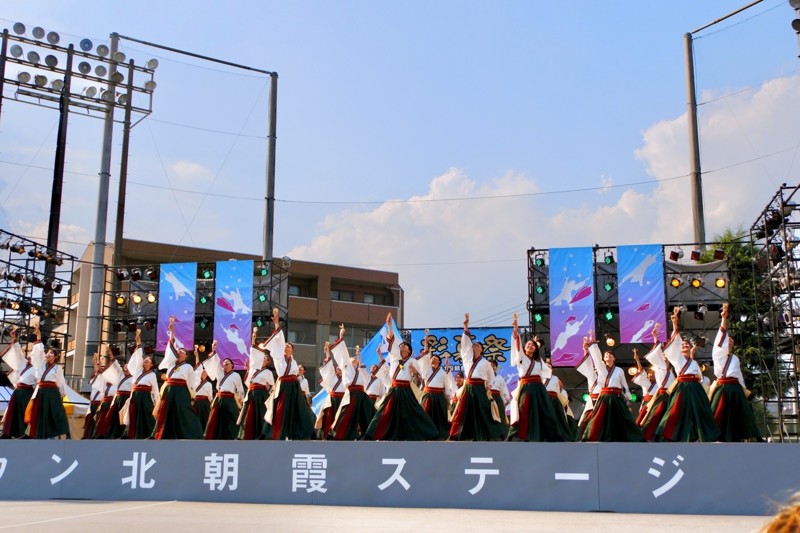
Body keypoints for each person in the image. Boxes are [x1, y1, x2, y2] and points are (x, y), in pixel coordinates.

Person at [364, 314, 438, 441]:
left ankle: (431, 433)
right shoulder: (394, 358)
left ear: (409, 351)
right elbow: (392, 340)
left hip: (406, 390)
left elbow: (419, 377)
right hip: (394, 390)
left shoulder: (413, 361)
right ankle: (372, 434)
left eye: (404, 346)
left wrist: (414, 372)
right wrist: (390, 326)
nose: (401, 347)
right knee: (385, 411)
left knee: (414, 411)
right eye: (401, 346)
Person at [655, 307, 721, 442]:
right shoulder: (676, 358)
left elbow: (700, 378)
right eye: (683, 345)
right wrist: (675, 323)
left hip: (695, 387)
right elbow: (676, 340)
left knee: (701, 410)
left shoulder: (694, 363)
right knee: (676, 410)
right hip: (683, 386)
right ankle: (668, 435)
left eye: (687, 345)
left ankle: (703, 435)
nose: (684, 346)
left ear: (690, 348)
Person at [709, 303, 762, 442]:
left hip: (735, 386)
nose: (729, 343)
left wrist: (743, 389)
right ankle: (715, 436)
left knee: (743, 413)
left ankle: (751, 436)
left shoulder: (735, 358)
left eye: (731, 342)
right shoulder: (718, 355)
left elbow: (738, 374)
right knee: (718, 412)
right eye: (727, 342)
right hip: (722, 387)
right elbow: (721, 335)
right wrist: (724, 318)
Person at [260, 309, 314, 440]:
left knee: (300, 410)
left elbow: (295, 374)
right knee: (279, 409)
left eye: (289, 346)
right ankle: (271, 433)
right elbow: (279, 340)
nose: (287, 347)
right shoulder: (279, 356)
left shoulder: (294, 362)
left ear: (292, 350)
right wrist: (277, 324)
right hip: (284, 385)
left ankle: (305, 433)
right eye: (286, 346)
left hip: (294, 386)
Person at [449, 313, 505, 441]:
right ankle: (457, 434)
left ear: (482, 350)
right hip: (468, 387)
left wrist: (488, 388)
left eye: (478, 346)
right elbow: (465, 344)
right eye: (474, 345)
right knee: (463, 410)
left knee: (484, 410)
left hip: (480, 388)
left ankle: (493, 434)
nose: (475, 346)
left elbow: (491, 377)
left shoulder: (485, 363)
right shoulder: (467, 358)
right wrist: (466, 327)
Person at [506, 314, 562, 442]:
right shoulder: (521, 358)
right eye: (528, 344)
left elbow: (547, 371)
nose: (530, 346)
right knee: (524, 409)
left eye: (532, 345)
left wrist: (555, 379)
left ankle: (548, 435)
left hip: (539, 388)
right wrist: (515, 330)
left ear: (536, 349)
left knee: (544, 410)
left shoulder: (539, 361)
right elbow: (517, 346)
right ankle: (520, 435)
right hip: (526, 387)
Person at [580, 331, 643, 442]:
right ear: (604, 359)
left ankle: (633, 437)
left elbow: (624, 385)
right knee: (599, 418)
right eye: (606, 355)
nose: (607, 356)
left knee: (624, 418)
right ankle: (592, 437)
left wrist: (627, 396)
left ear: (614, 358)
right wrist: (592, 343)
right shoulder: (601, 367)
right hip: (604, 397)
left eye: (610, 355)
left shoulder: (619, 370)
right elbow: (596, 358)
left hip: (616, 397)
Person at [152, 316, 204, 439]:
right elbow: (171, 345)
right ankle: (162, 433)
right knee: (165, 411)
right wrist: (172, 330)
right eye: (179, 351)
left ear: (186, 357)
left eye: (182, 352)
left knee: (183, 411)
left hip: (181, 391)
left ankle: (194, 433)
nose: (179, 352)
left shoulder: (188, 367)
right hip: (169, 390)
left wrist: (192, 396)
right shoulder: (171, 363)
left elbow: (192, 382)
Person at [330, 327, 376, 440]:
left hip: (362, 394)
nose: (352, 359)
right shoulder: (346, 366)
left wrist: (359, 356)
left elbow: (361, 365)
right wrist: (341, 336)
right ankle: (342, 435)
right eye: (351, 358)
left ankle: (369, 434)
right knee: (347, 415)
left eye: (354, 358)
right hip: (352, 393)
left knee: (370, 411)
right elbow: (343, 352)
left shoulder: (360, 370)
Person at [27, 322, 69, 439]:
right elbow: (38, 353)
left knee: (52, 415)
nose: (48, 354)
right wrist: (39, 337)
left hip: (52, 392)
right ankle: (39, 436)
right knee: (39, 414)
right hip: (41, 391)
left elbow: (60, 382)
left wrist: (61, 394)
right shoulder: (41, 363)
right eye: (48, 352)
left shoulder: (57, 367)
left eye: (51, 353)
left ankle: (52, 438)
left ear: (56, 357)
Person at [638, 324, 675, 441]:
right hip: (660, 395)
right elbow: (657, 353)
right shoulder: (659, 367)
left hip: (670, 396)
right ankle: (646, 436)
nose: (664, 357)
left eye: (666, 356)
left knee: (670, 417)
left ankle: (667, 437)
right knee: (654, 416)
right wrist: (655, 337)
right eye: (663, 356)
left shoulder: (672, 371)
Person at [417, 335, 455, 440]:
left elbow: (447, 386)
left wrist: (448, 398)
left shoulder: (443, 373)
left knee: (439, 416)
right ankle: (426, 434)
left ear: (439, 362)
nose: (433, 358)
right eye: (432, 357)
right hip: (427, 395)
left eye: (435, 358)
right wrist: (426, 341)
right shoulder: (427, 368)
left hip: (439, 397)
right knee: (426, 415)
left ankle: (439, 435)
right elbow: (425, 355)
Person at [0, 327, 36, 438]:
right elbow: (17, 351)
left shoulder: (38, 369)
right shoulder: (23, 363)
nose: (29, 357)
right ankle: (7, 433)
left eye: (32, 356)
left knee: (22, 413)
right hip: (18, 391)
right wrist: (14, 338)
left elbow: (37, 384)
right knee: (11, 412)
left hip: (27, 393)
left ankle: (20, 434)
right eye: (29, 356)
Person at [239, 330, 274, 440]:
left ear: (268, 362)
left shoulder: (268, 372)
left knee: (261, 414)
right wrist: (253, 338)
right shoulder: (254, 368)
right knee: (248, 413)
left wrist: (268, 396)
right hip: (251, 392)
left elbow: (272, 386)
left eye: (266, 360)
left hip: (262, 394)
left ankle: (262, 434)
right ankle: (243, 435)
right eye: (263, 358)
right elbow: (247, 382)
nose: (263, 361)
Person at [205, 353, 244, 440]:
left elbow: (240, 389)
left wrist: (241, 399)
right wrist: (213, 350)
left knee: (233, 416)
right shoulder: (219, 372)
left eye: (228, 362)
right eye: (224, 362)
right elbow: (215, 361)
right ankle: (216, 436)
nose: (225, 363)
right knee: (217, 417)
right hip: (220, 398)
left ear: (232, 365)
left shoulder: (236, 375)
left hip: (230, 398)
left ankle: (235, 435)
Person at [126, 340, 159, 439]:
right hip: (136, 396)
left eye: (148, 360)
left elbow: (155, 389)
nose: (146, 360)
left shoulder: (152, 375)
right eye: (145, 359)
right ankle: (134, 435)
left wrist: (156, 402)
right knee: (134, 414)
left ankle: (150, 434)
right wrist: (138, 343)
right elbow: (138, 357)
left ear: (151, 365)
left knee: (147, 415)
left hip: (146, 397)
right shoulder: (138, 370)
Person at [97, 353, 133, 439]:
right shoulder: (120, 374)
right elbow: (115, 363)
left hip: (127, 398)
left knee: (125, 417)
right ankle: (111, 434)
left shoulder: (134, 376)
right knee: (112, 416)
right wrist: (110, 352)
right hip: (118, 398)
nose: (126, 368)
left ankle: (125, 434)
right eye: (124, 367)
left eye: (128, 367)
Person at [317, 342, 345, 439]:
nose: (339, 370)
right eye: (337, 369)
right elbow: (329, 365)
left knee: (341, 419)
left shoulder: (346, 377)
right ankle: (327, 435)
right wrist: (327, 353)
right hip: (332, 399)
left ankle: (340, 435)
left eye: (340, 369)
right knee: (329, 416)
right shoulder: (332, 375)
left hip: (342, 400)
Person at [574, 341, 601, 439]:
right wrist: (585, 350)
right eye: (596, 368)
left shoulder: (605, 375)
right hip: (592, 401)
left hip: (602, 400)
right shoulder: (591, 374)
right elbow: (588, 364)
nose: (597, 368)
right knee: (586, 422)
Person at [83, 353, 107, 439]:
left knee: (97, 422)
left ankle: (95, 437)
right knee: (89, 422)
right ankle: (88, 436)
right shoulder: (94, 378)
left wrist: (98, 365)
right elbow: (96, 371)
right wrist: (95, 364)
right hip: (92, 403)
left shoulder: (103, 379)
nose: (96, 368)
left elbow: (98, 372)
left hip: (99, 404)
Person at [193, 353, 214, 431]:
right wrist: (196, 355)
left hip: (205, 402)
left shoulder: (209, 384)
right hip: (196, 401)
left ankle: (205, 432)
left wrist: (211, 404)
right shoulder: (196, 381)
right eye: (202, 371)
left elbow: (210, 396)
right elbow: (197, 368)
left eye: (205, 372)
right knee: (195, 417)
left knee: (205, 417)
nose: (203, 372)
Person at [489, 360, 511, 427]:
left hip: (497, 398)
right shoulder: (484, 377)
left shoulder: (500, 378)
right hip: (487, 398)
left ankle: (502, 433)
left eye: (494, 366)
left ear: (496, 367)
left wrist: (505, 400)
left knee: (500, 415)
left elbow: (503, 389)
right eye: (490, 366)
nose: (492, 367)